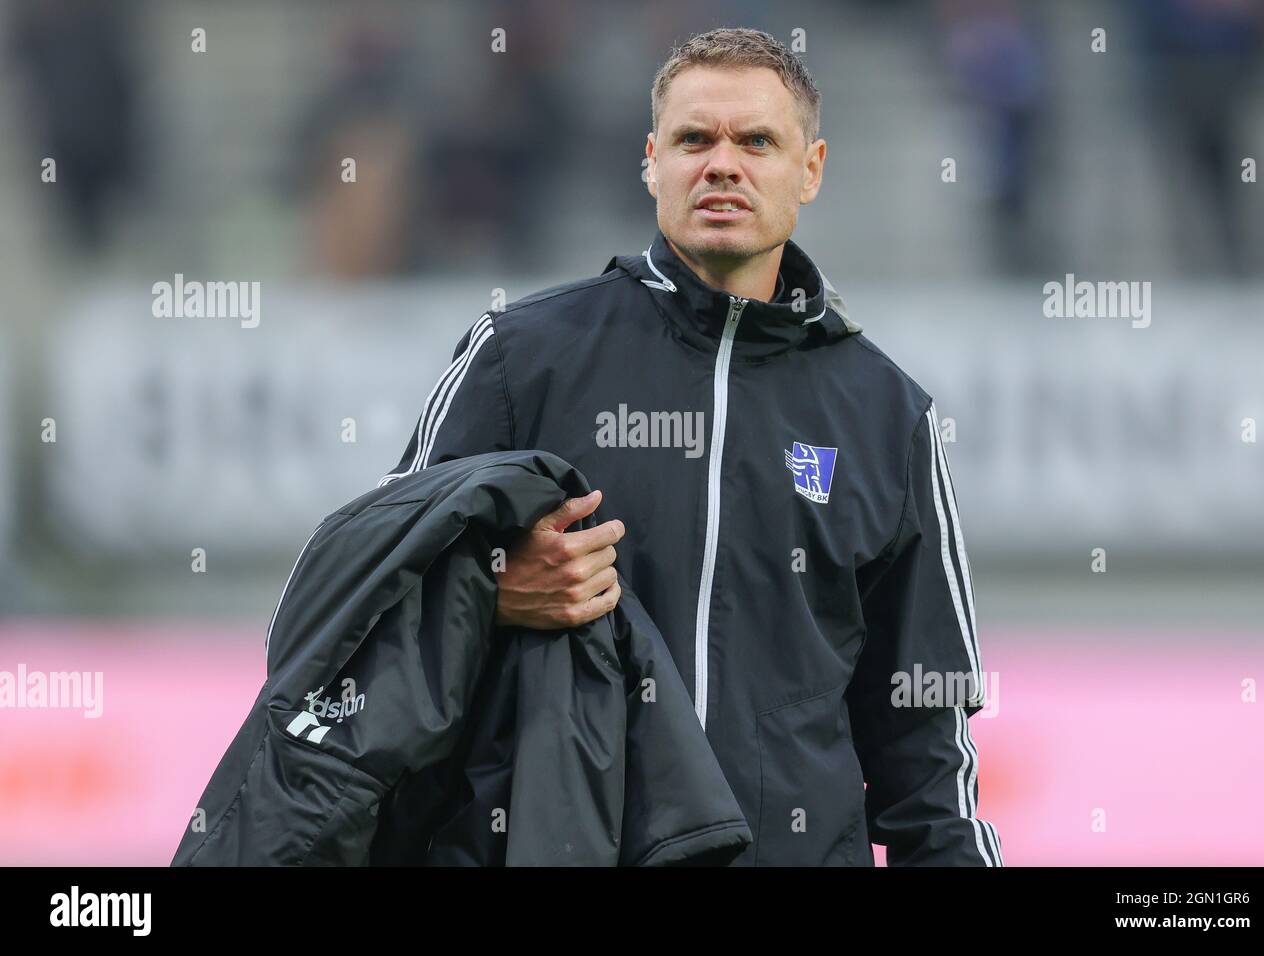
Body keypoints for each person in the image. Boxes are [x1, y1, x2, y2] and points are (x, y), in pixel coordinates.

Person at [379, 27, 1002, 866]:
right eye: (693, 139)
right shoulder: (518, 359)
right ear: (651, 162)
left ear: (809, 169)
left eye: (756, 141)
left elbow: (925, 745)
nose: (722, 164)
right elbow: (360, 605)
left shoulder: (887, 415)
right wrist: (488, 592)